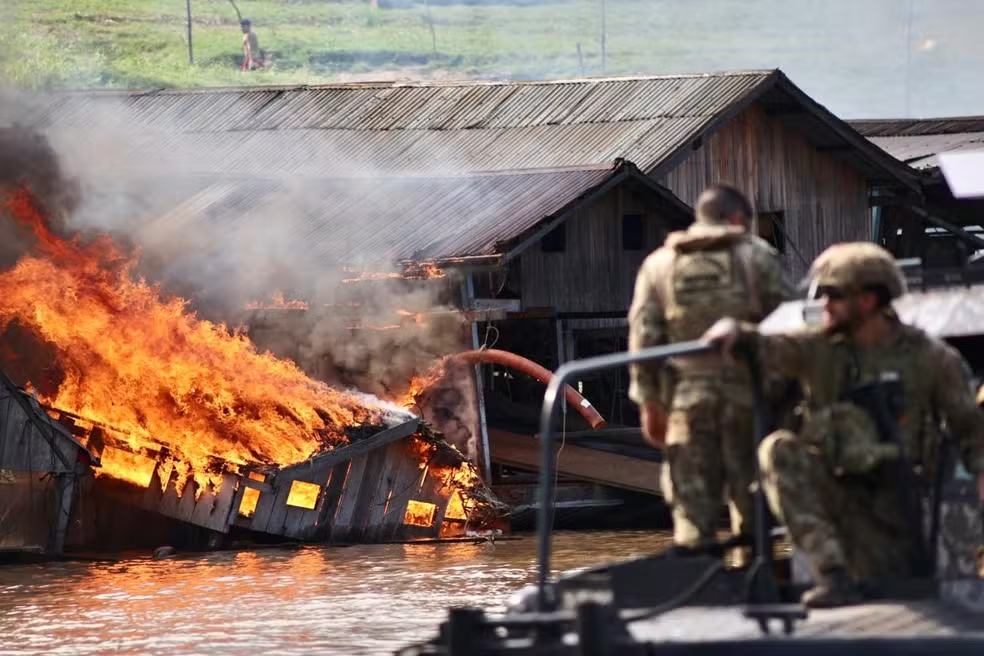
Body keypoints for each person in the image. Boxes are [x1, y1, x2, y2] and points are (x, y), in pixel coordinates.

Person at [702, 242, 984, 607]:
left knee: (895, 583)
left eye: (834, 295)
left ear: (867, 300)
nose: (825, 305)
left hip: (895, 504)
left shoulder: (930, 358)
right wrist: (736, 332)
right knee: (778, 450)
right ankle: (832, 577)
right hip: (832, 489)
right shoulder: (820, 348)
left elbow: (969, 426)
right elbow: (770, 347)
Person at [627, 184, 785, 550]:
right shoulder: (757, 256)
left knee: (692, 510)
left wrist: (649, 404)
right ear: (737, 219)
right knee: (754, 506)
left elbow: (643, 338)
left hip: (687, 400)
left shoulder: (659, 265)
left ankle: (699, 571)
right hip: (751, 399)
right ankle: (755, 571)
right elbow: (786, 325)